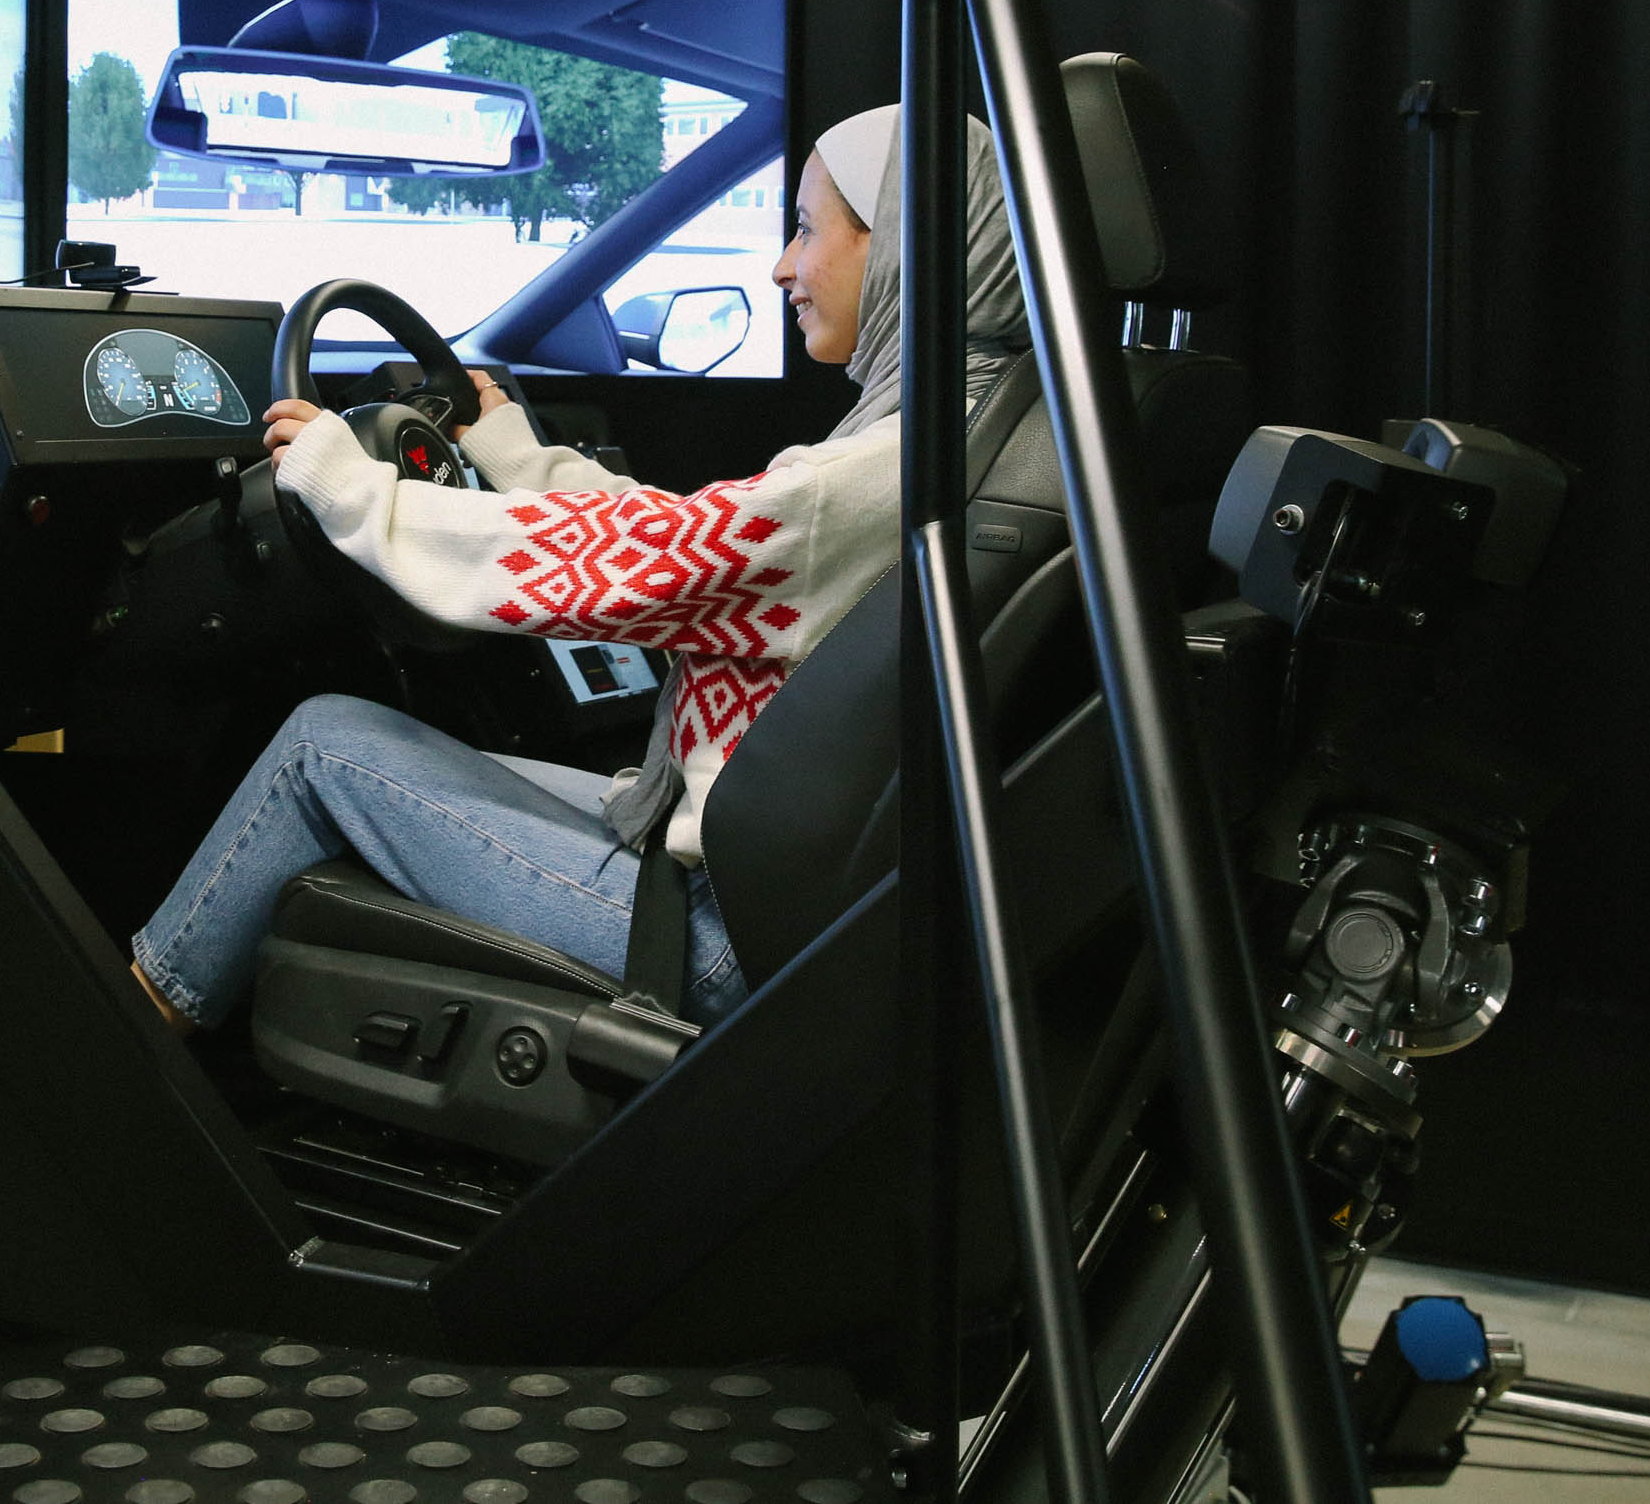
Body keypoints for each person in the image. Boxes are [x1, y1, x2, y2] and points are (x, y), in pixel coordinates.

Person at [128, 106, 1028, 1032]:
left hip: (722, 932)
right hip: (774, 883)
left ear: (906, 243)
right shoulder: (965, 421)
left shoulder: (885, 465)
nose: (782, 266)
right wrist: (516, 456)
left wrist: (354, 487)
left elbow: (632, 568)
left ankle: (110, 1066)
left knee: (319, 744)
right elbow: (688, 540)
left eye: (805, 227)